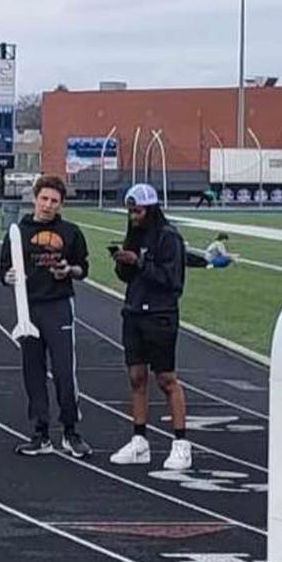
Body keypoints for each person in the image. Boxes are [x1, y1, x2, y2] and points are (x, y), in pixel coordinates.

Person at [0, 175, 92, 459]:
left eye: (54, 201)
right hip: (28, 309)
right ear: (35, 198)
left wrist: (69, 271)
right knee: (33, 372)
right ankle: (40, 433)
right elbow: (3, 270)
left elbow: (82, 268)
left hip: (58, 305)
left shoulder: (71, 232)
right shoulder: (17, 232)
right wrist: (9, 276)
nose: (48, 205)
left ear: (61, 204)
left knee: (64, 371)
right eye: (44, 199)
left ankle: (71, 431)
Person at [109, 183, 192, 470]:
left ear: (151, 210)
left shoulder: (169, 238)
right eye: (130, 211)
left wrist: (141, 262)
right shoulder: (134, 234)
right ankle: (139, 440)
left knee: (166, 379)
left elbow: (172, 281)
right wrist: (123, 262)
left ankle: (181, 443)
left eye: (138, 211)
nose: (133, 216)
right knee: (136, 377)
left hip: (160, 314)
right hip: (134, 311)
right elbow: (127, 277)